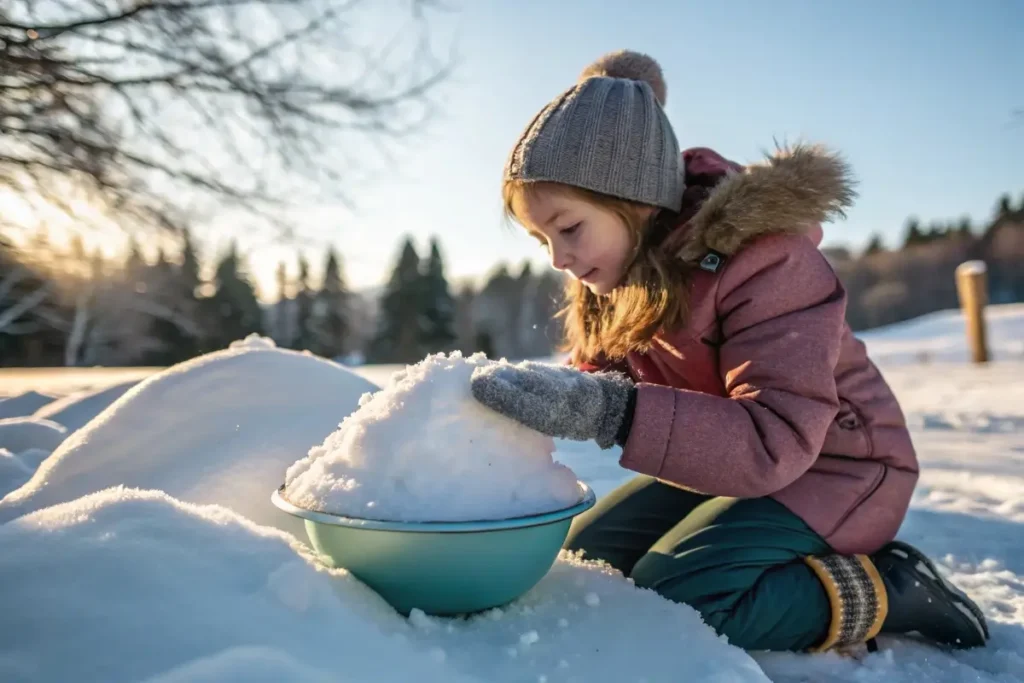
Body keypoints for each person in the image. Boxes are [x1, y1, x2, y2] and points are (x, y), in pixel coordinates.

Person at [469, 49, 989, 654]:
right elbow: (601, 378)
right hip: (723, 463)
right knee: (588, 564)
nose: (558, 258)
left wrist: (609, 412)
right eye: (541, 239)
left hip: (837, 464)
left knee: (686, 600)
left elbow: (778, 435)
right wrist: (521, 409)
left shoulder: (765, 261)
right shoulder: (621, 272)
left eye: (569, 228)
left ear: (633, 199)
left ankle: (893, 587)